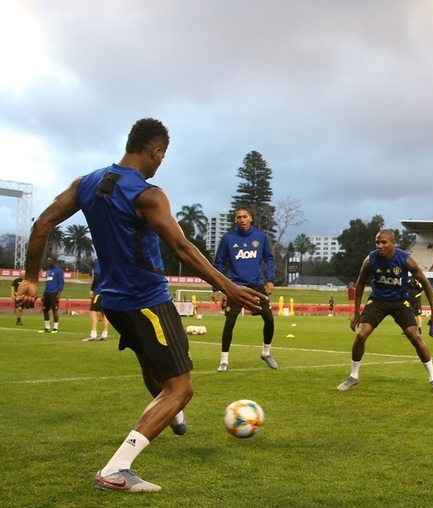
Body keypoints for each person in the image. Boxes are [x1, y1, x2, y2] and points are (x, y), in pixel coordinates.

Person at [15, 118, 266, 493]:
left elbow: (42, 224)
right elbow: (181, 247)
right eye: (162, 157)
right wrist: (229, 286)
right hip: (146, 299)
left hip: (111, 301)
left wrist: (31, 277)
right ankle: (116, 469)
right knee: (180, 387)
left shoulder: (87, 183)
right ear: (156, 151)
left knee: (151, 364)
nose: (160, 163)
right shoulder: (147, 194)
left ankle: (172, 417)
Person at [337, 229, 433, 393]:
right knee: (361, 335)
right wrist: (356, 312)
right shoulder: (370, 260)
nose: (380, 246)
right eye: (377, 242)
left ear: (393, 244)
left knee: (415, 336)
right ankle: (353, 375)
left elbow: (426, 283)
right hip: (378, 302)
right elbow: (359, 284)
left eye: (384, 242)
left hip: (400, 303)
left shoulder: (405, 260)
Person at [213, 206, 277, 371]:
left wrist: (270, 280)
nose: (241, 219)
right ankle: (224, 360)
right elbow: (219, 263)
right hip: (235, 286)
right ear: (235, 220)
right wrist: (215, 288)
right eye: (238, 217)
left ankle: (266, 352)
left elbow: (269, 258)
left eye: (244, 216)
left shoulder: (260, 237)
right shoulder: (228, 238)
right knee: (230, 320)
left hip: (256, 285)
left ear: (251, 219)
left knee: (269, 319)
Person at [84, 259, 111, 342]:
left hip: (99, 290)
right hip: (109, 290)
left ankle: (93, 334)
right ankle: (105, 334)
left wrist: (92, 289)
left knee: (93, 311)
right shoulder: (111, 261)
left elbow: (97, 276)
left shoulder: (100, 261)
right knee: (105, 312)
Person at [38, 256, 64, 334]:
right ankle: (47, 327)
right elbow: (47, 284)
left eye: (50, 261)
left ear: (54, 261)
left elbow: (61, 282)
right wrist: (43, 295)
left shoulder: (58, 271)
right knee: (45, 309)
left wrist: (59, 293)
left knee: (54, 309)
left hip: (54, 292)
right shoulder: (48, 271)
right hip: (47, 292)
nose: (48, 262)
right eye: (47, 261)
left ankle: (55, 328)